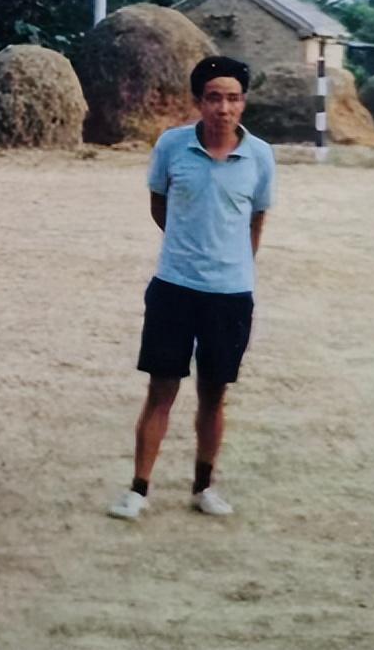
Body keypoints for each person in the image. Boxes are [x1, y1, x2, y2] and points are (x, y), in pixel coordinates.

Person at [108, 55, 275, 521]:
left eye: (233, 98)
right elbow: (159, 204)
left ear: (244, 103)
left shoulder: (260, 156)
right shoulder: (171, 146)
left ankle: (204, 487)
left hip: (231, 294)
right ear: (199, 101)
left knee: (214, 393)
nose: (224, 108)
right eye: (214, 98)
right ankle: (139, 489)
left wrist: (232, 262)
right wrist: (189, 246)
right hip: (174, 287)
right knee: (161, 389)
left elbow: (256, 218)